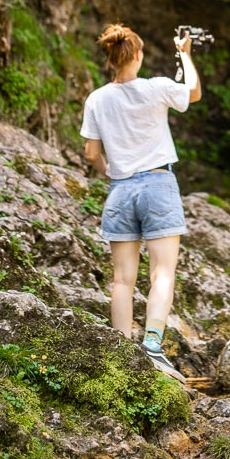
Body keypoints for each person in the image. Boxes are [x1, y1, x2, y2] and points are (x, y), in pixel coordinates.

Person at [80, 23, 202, 380]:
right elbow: (192, 93)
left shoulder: (96, 99)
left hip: (120, 190)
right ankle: (151, 347)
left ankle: (121, 352)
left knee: (122, 279)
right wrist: (184, 52)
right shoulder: (156, 88)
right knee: (162, 271)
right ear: (137, 55)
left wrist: (108, 171)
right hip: (158, 185)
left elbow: (91, 153)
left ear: (110, 57)